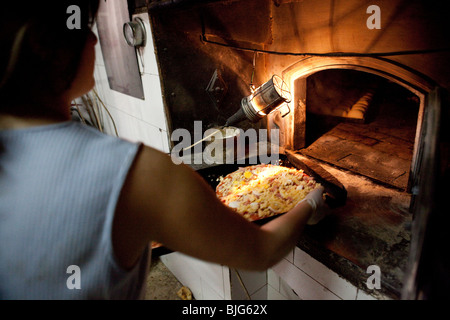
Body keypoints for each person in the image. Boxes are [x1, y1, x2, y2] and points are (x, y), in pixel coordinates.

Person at [0, 1, 326, 299]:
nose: (95, 40)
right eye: (84, 29)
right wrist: (310, 199)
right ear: (47, 48)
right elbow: (261, 252)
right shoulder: (137, 173)